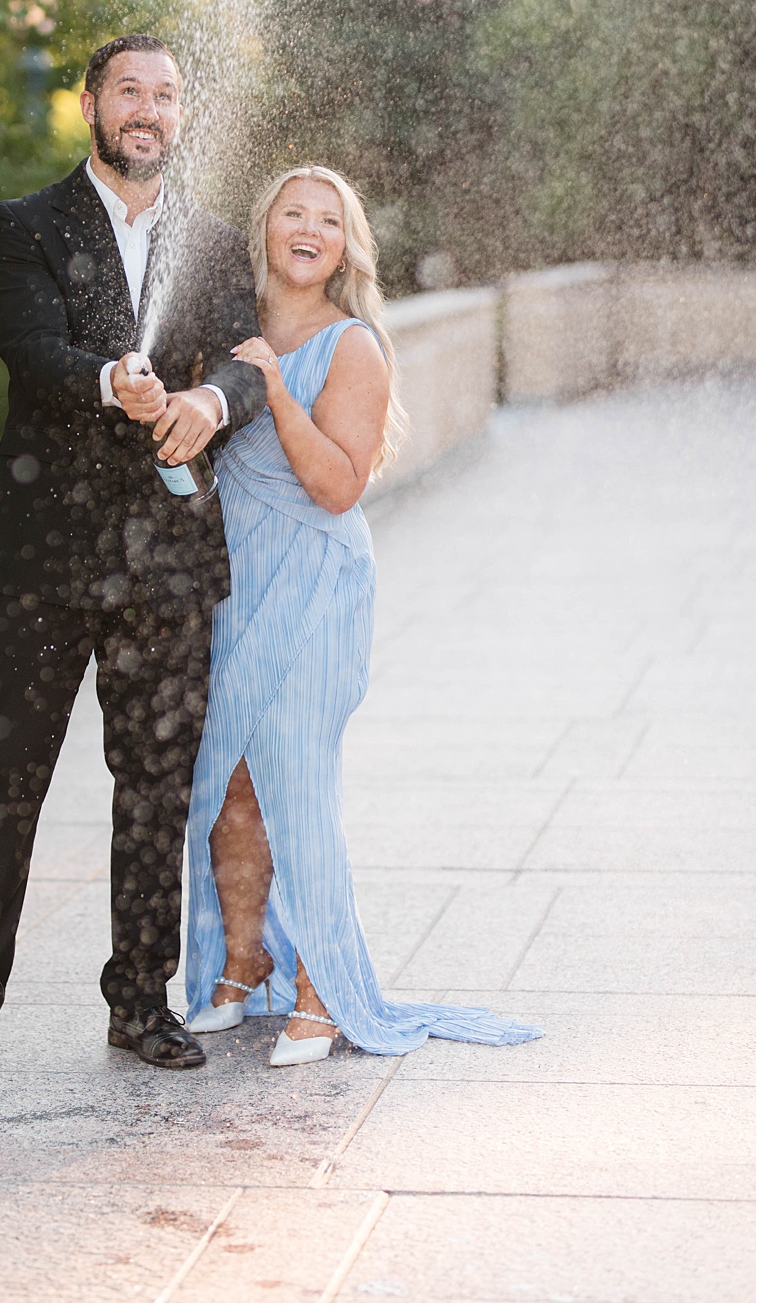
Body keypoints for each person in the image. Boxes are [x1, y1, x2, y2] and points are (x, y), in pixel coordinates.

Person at [0, 35, 266, 1090]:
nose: (149, 111)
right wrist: (111, 379)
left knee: (156, 785)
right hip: (43, 563)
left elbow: (250, 363)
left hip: (167, 564)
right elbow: (29, 350)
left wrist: (211, 402)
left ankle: (139, 1001)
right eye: (131, 90)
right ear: (90, 104)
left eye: (166, 96)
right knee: (6, 781)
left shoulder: (211, 242)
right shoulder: (22, 226)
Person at [184, 166, 544, 1066]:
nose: (309, 230)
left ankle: (322, 990)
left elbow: (338, 487)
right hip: (235, 584)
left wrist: (271, 390)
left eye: (329, 221)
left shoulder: (353, 348)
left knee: (297, 787)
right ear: (265, 229)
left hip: (314, 584)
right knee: (228, 785)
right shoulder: (228, 328)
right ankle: (241, 961)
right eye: (292, 214)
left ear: (347, 246)